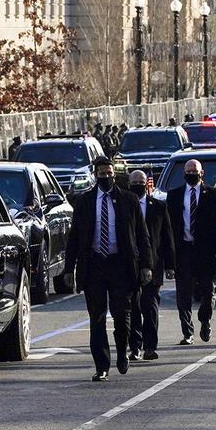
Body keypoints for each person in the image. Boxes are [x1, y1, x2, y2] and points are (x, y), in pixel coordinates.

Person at [63, 156, 152, 381]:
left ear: (115, 174)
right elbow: (74, 238)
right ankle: (101, 365)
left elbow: (142, 235)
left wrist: (146, 265)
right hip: (94, 265)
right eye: (102, 174)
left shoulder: (129, 200)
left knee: (122, 315)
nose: (106, 177)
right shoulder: (84, 201)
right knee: (97, 317)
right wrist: (68, 269)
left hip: (121, 265)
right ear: (96, 175)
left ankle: (123, 351)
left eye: (109, 173)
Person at [166, 159, 216, 345]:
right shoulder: (175, 195)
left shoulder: (214, 194)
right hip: (183, 249)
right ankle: (187, 332)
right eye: (188, 170)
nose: (191, 173)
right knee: (183, 293)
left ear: (201, 173)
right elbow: (168, 227)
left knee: (209, 290)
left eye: (194, 170)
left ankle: (205, 319)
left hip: (206, 251)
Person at [126, 170, 175, 362]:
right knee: (132, 308)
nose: (138, 184)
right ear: (129, 184)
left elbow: (167, 237)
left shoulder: (159, 207)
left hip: (153, 265)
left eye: (141, 181)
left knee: (150, 306)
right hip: (130, 266)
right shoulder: (124, 205)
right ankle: (135, 347)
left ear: (148, 184)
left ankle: (150, 346)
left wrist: (170, 265)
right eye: (134, 181)